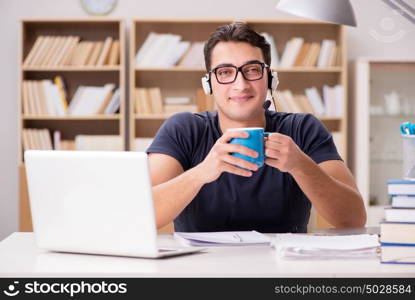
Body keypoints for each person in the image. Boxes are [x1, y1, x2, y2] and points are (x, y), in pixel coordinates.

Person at [146, 22, 366, 233]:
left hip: (283, 268)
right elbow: (142, 214)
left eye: (252, 70)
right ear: (208, 84)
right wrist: (201, 173)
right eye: (225, 72)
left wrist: (300, 165)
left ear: (271, 79)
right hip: (202, 267)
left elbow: (353, 219)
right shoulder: (184, 129)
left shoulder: (302, 128)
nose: (240, 85)